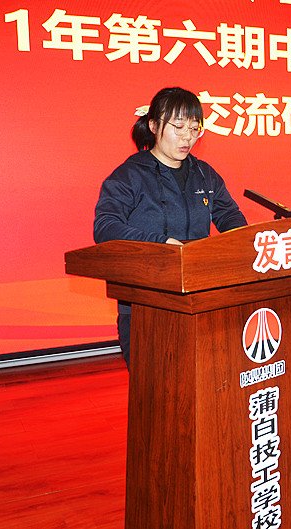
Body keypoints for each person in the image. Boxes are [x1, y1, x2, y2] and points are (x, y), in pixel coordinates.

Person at [94, 87, 247, 367]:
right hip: (145, 305)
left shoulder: (204, 174)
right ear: (154, 126)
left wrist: (241, 240)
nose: (187, 137)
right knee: (155, 385)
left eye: (194, 128)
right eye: (178, 127)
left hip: (201, 299)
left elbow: (230, 216)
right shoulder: (129, 175)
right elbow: (106, 226)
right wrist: (161, 244)